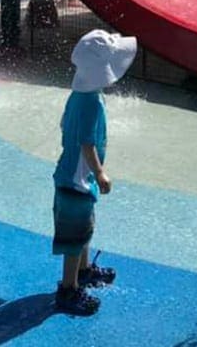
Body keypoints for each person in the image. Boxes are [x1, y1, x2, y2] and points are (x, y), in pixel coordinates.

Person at [52, 29, 137, 316]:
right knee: (74, 238)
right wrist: (99, 173)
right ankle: (68, 289)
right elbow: (86, 143)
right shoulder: (89, 102)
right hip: (76, 182)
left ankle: (85, 271)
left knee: (85, 229)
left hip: (75, 178)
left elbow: (66, 126)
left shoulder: (82, 94)